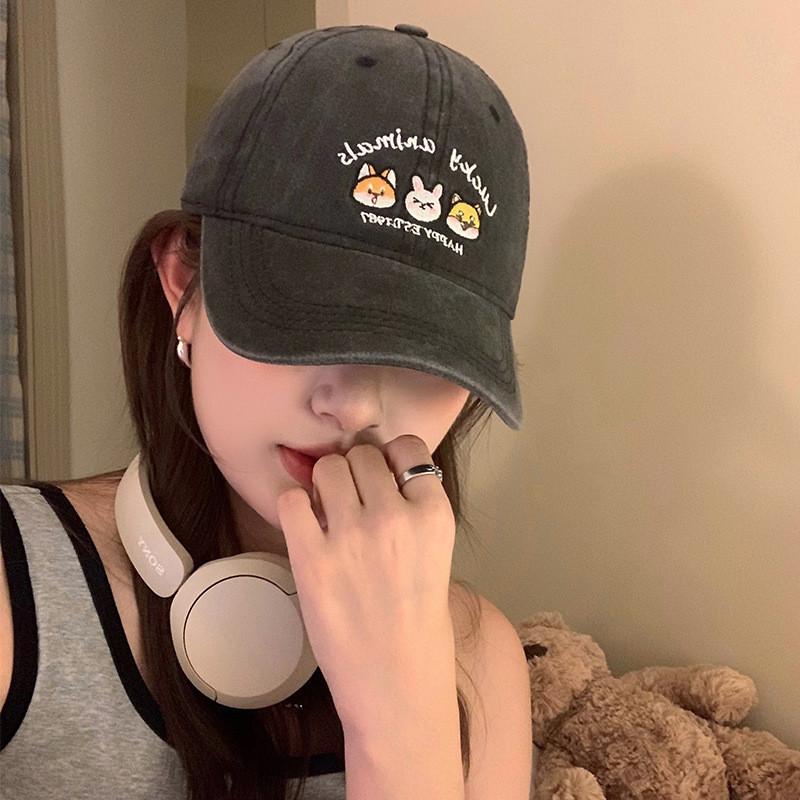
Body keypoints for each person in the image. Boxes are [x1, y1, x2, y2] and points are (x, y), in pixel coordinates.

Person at [0, 22, 533, 800]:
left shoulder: (478, 658)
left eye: (423, 353)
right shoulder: (13, 587)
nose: (355, 404)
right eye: (302, 321)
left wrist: (401, 720)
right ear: (182, 284)